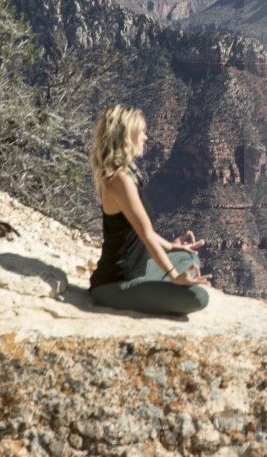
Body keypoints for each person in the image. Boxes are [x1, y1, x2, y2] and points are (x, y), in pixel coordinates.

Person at [88, 104, 211, 315]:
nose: (146, 137)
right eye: (141, 132)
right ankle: (159, 285)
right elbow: (145, 234)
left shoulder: (128, 174)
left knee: (189, 257)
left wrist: (171, 247)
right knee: (198, 298)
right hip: (116, 282)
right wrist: (173, 276)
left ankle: (162, 279)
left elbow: (143, 230)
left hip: (139, 269)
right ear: (128, 137)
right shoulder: (119, 181)